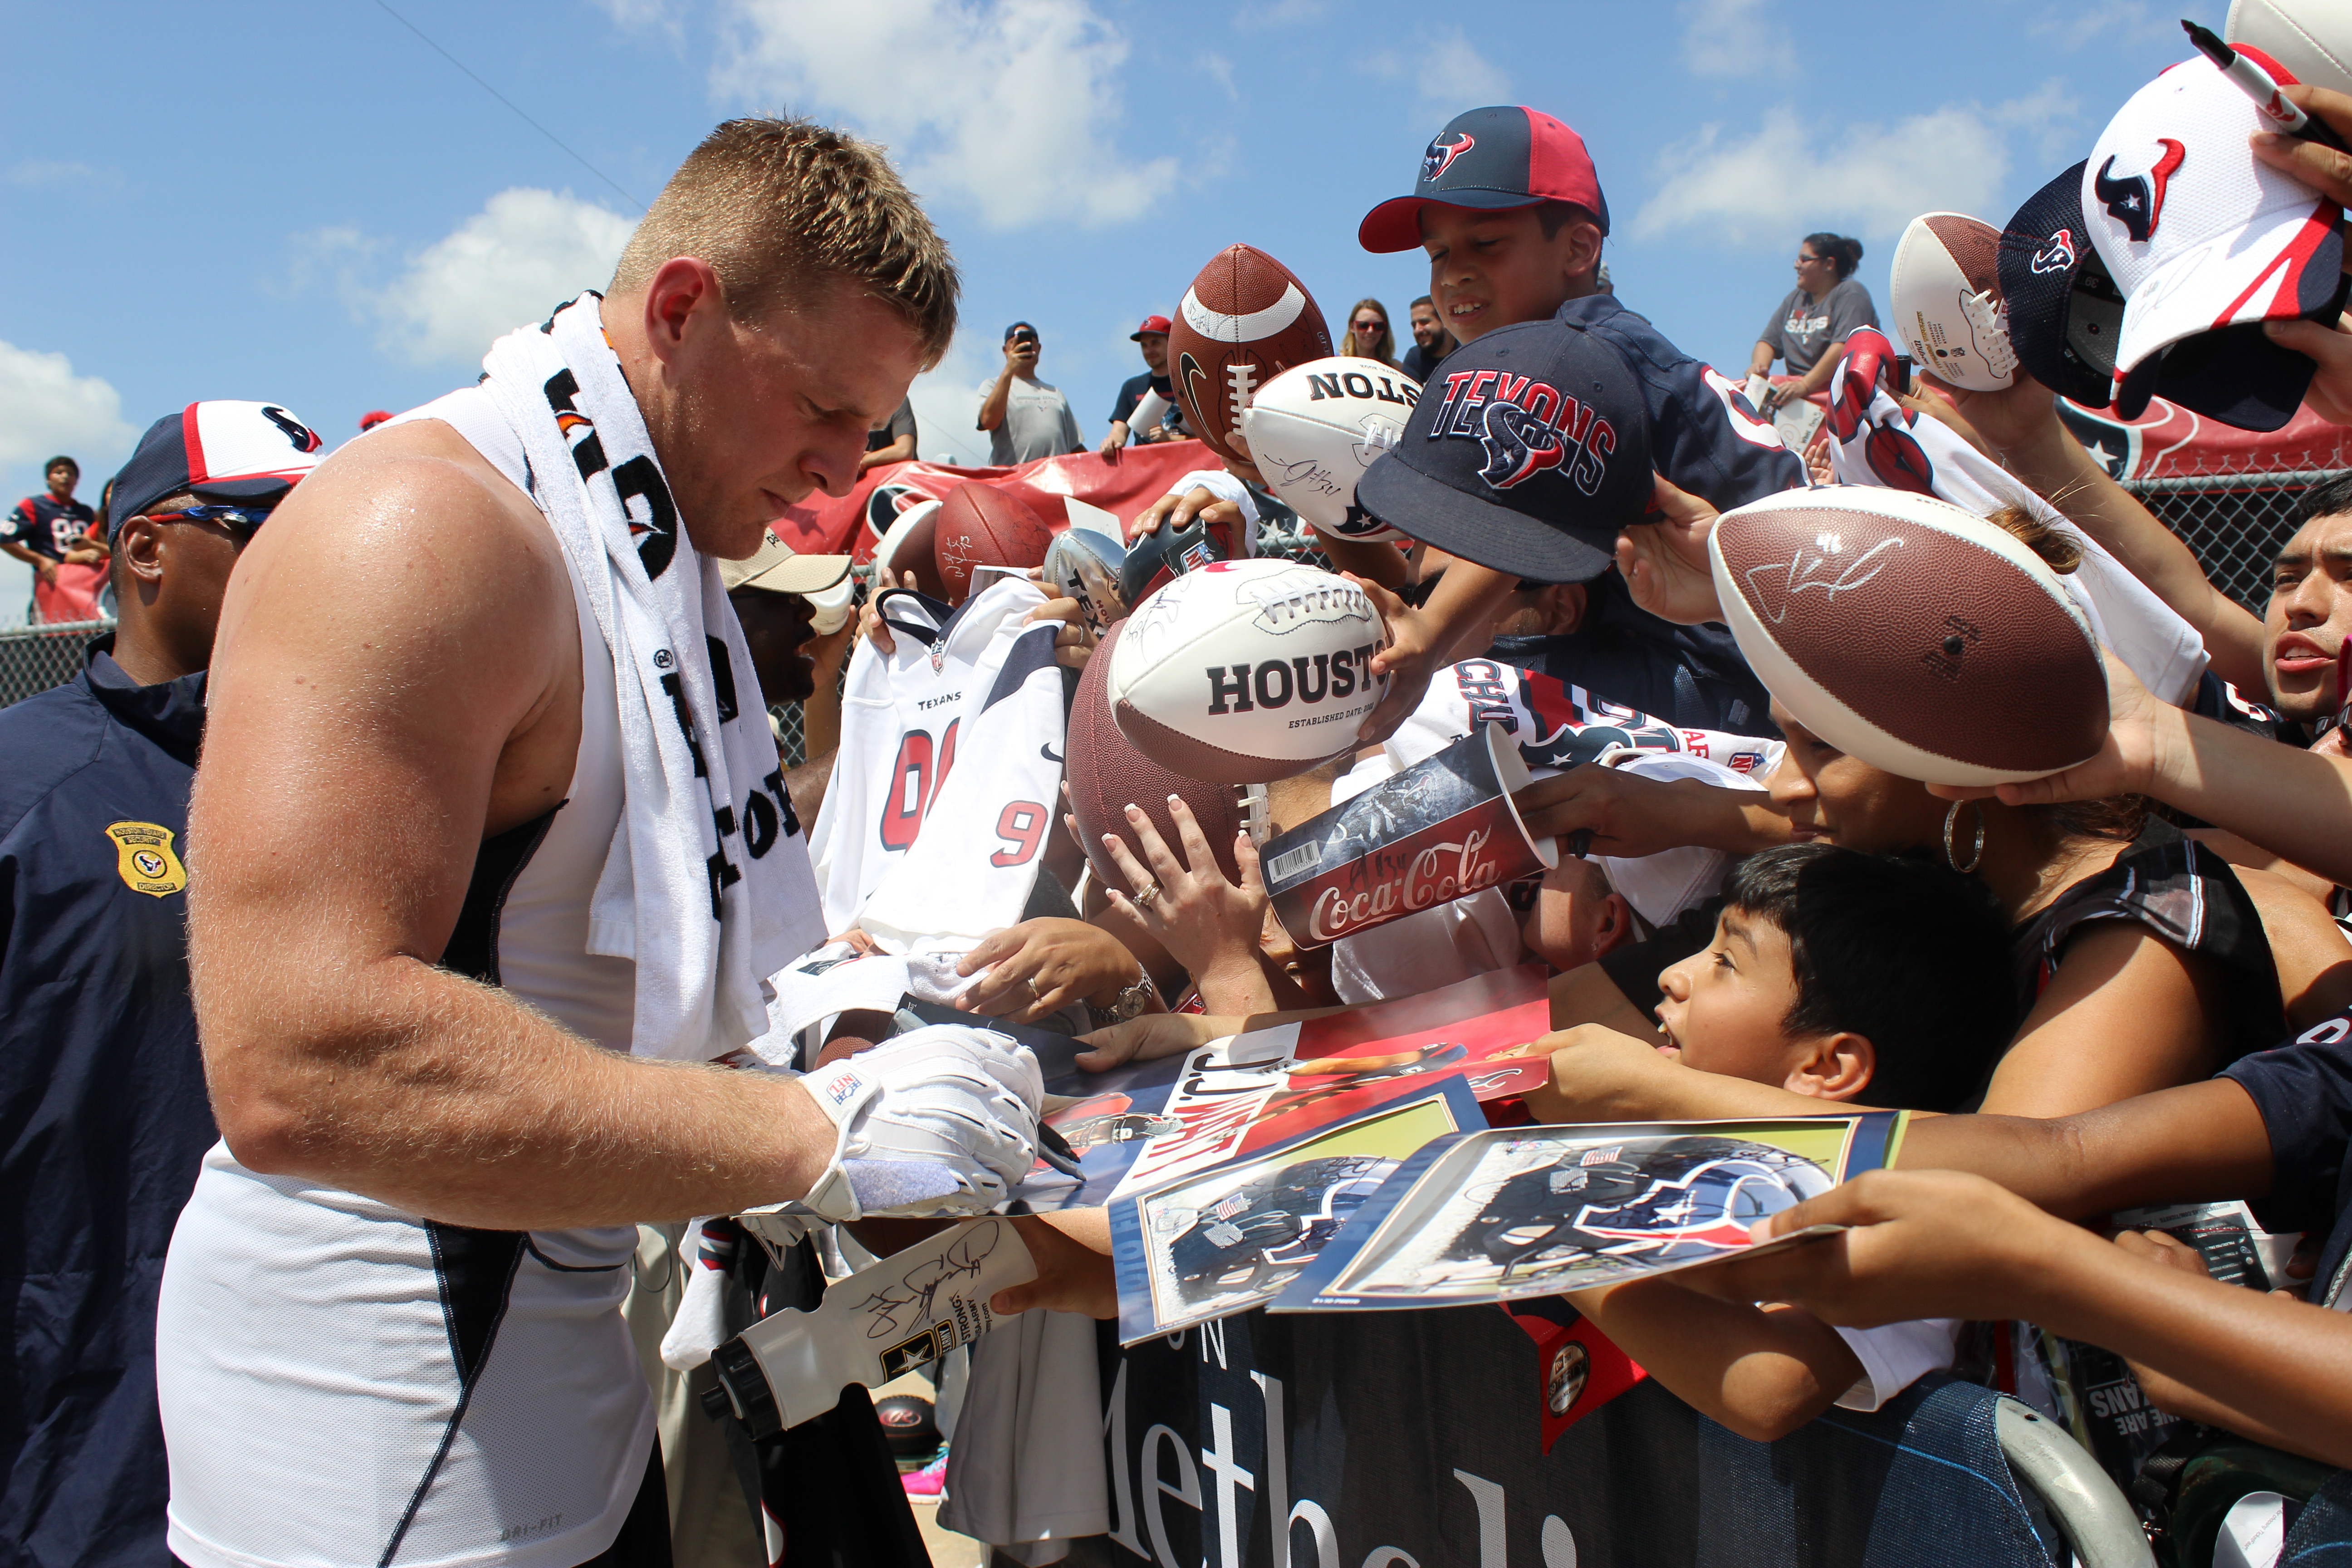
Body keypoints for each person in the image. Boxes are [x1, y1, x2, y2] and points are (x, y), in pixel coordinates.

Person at [155, 117, 1049, 1568]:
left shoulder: (663, 545)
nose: (835, 479)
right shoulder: (426, 528)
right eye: (819, 410)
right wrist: (818, 1136)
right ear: (685, 311)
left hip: (564, 1371)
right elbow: (299, 1056)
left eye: (866, 433)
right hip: (382, 1422)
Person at [0, 401, 323, 1568]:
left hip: (310, 1436)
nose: (326, 566)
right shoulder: (30, 787)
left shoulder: (368, 790)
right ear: (145, 547)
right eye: (273, 528)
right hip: (79, 1441)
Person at [1349, 104, 1806, 744]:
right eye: (1438, 252)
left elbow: (1521, 520)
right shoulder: (1582, 344)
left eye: (1486, 242)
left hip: (1732, 677)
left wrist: (1429, 634)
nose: (1454, 272)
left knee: (1444, 707)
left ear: (1578, 248)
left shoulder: (1584, 350)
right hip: (1699, 652)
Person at [1535, 843, 2014, 1442]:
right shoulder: (1675, 1149)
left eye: (1726, 962)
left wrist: (1533, 1202)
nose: (1673, 975)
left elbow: (1767, 1386)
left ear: (1828, 1066)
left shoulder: (1889, 1210)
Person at [1746, 234, 1875, 448]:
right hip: (1797, 405)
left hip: (1842, 405)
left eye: (1804, 259)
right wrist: (1759, 368)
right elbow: (1767, 342)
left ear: (1829, 264)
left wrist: (1806, 385)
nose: (1797, 266)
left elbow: (1844, 347)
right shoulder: (1796, 299)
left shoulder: (1851, 294)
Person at [5, 456, 108, 624]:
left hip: (88, 590)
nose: (65, 477)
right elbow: (5, 539)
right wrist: (40, 560)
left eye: (70, 473)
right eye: (59, 473)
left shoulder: (86, 512)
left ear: (77, 481)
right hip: (53, 586)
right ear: (48, 479)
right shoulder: (33, 506)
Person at [977, 320, 1082, 464]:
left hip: (1055, 480)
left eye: (1030, 342)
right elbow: (988, 421)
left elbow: (1075, 446)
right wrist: (1010, 369)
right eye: (1016, 342)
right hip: (1013, 481)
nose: (1025, 346)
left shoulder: (1055, 392)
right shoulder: (993, 385)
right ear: (1005, 350)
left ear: (1038, 348)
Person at [1099, 315, 1181, 461]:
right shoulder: (1132, 387)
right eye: (1144, 345)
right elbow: (1119, 433)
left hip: (1187, 468)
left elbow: (1207, 439)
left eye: (1155, 343)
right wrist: (1110, 443)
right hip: (1145, 472)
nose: (1149, 350)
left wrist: (1169, 439)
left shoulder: (1190, 383)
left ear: (1171, 342)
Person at [1399, 294, 1455, 382]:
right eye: (1414, 326)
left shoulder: (1467, 350)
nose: (1417, 330)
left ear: (1444, 320)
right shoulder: (1415, 358)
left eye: (1424, 322)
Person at [859, 396, 917, 472]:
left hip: (897, 479)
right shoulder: (844, 415)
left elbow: (904, 451)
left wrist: (862, 460)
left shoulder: (896, 399)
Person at [1344, 297, 1397, 367]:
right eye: (1364, 325)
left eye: (1378, 326)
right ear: (1352, 327)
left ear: (1385, 329)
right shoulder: (1335, 361)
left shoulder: (1396, 368)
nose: (1371, 331)